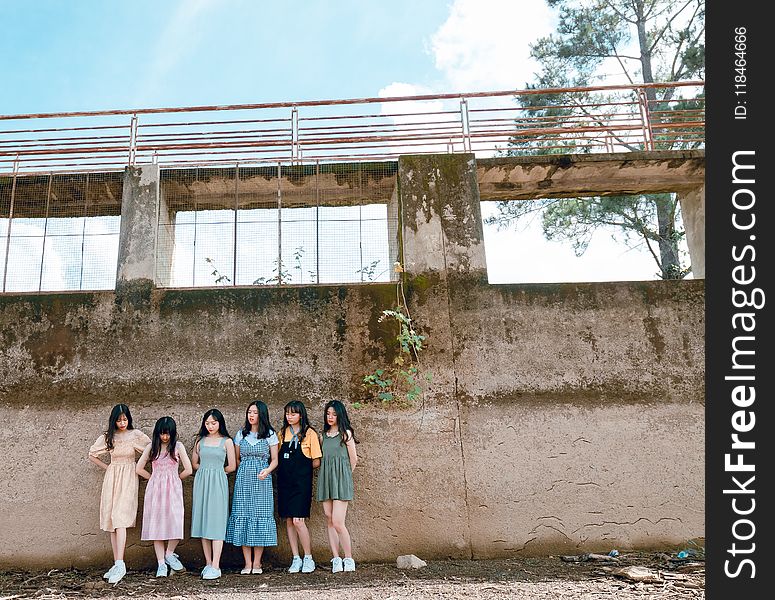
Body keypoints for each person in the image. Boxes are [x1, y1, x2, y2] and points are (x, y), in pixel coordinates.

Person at [88, 404, 151, 584]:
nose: (122, 423)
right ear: (113, 420)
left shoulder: (135, 435)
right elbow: (92, 454)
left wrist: (141, 467)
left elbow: (150, 448)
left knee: (121, 518)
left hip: (129, 477)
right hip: (113, 477)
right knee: (112, 519)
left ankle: (121, 563)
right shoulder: (108, 437)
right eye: (119, 419)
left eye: (125, 419)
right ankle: (117, 563)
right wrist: (108, 467)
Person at [226, 400, 279, 574]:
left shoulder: (270, 435)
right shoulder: (241, 434)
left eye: (255, 412)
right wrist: (247, 469)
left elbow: (275, 460)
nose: (251, 415)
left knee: (260, 515)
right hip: (244, 481)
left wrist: (267, 470)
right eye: (249, 412)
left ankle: (257, 563)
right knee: (244, 514)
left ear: (261, 414)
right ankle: (247, 563)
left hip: (263, 481)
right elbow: (237, 458)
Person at [136, 416, 193, 577]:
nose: (165, 437)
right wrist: (154, 478)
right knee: (157, 525)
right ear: (157, 433)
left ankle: (169, 554)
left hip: (173, 489)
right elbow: (139, 468)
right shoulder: (151, 447)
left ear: (173, 433)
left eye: (168, 434)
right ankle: (161, 564)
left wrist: (174, 479)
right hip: (155, 491)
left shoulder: (178, 447)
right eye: (162, 434)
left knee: (175, 520)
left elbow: (188, 469)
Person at [190, 408, 236, 580]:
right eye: (207, 423)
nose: (210, 426)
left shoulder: (227, 442)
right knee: (203, 520)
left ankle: (216, 565)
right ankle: (208, 563)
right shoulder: (199, 441)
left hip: (218, 482)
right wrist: (204, 471)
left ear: (220, 423)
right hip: (201, 482)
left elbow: (232, 466)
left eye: (214, 423)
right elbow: (194, 463)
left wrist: (217, 472)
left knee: (216, 521)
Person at [276, 400, 321, 574]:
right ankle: (296, 558)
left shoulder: (310, 434)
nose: (289, 417)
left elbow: (316, 461)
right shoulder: (282, 433)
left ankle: (308, 557)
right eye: (287, 413)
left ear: (301, 415)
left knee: (298, 521)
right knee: (288, 520)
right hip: (285, 483)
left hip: (301, 484)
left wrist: (300, 470)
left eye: (293, 413)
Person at [316, 400, 359, 573]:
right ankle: (336, 558)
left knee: (338, 522)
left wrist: (345, 476)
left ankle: (348, 559)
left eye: (334, 414)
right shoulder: (323, 436)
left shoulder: (345, 433)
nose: (330, 417)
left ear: (340, 415)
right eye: (328, 414)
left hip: (341, 480)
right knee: (329, 518)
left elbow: (354, 459)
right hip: (326, 479)